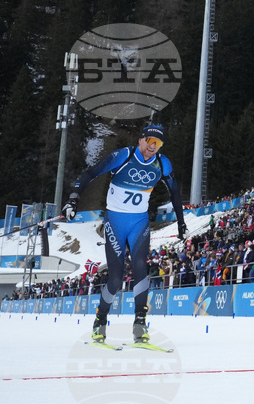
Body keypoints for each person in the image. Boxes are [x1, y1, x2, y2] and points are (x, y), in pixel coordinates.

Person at [63, 124, 185, 345]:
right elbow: (91, 173)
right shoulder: (124, 156)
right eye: (149, 140)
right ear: (141, 140)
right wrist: (73, 198)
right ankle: (100, 322)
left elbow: (174, 192)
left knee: (140, 268)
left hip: (139, 222)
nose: (152, 146)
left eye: (157, 143)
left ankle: (140, 325)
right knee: (116, 278)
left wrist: (181, 222)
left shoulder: (162, 163)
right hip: (116, 221)